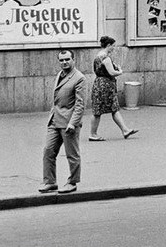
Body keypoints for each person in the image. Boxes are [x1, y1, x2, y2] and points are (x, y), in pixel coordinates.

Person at [40, 48, 86, 194]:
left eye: (67, 59)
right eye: (61, 60)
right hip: (54, 120)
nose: (64, 62)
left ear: (73, 60)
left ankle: (72, 182)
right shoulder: (60, 74)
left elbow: (80, 104)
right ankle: (50, 181)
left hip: (68, 123)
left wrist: (73, 123)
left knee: (72, 154)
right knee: (48, 150)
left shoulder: (79, 78)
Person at [88, 35, 137, 141]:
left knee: (108, 109)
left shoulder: (98, 56)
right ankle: (93, 134)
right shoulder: (106, 57)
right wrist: (120, 71)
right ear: (108, 45)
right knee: (104, 110)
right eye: (113, 46)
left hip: (99, 84)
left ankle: (125, 130)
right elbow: (112, 72)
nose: (113, 48)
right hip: (105, 86)